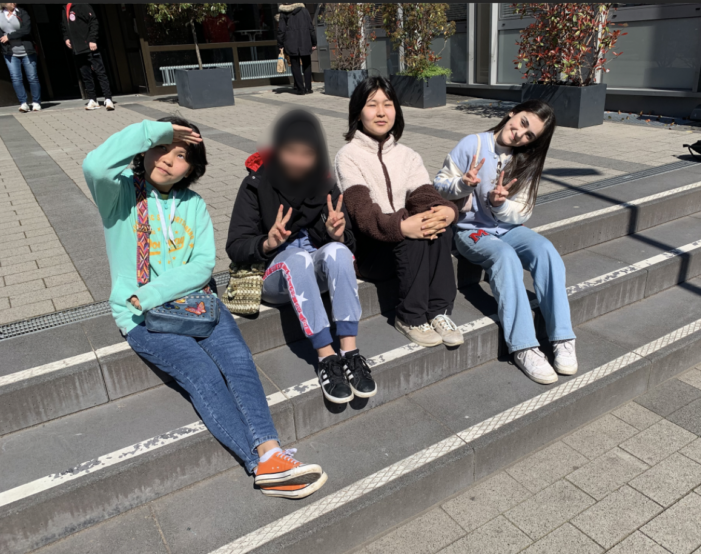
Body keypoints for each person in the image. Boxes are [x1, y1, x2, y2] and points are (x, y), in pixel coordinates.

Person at [82, 116, 327, 499]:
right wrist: (155, 130)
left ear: (192, 169)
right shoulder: (121, 196)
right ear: (145, 150)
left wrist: (153, 291)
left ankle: (271, 451)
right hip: (140, 315)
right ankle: (260, 464)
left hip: (198, 303)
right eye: (161, 148)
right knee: (202, 374)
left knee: (239, 362)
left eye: (181, 155)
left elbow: (202, 265)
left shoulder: (193, 204)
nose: (168, 159)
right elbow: (95, 165)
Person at [226, 110, 374, 405]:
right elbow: (236, 245)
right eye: (290, 151)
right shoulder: (256, 184)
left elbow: (350, 243)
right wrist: (267, 243)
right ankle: (326, 358)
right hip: (275, 276)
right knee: (296, 257)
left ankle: (350, 352)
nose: (298, 161)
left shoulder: (325, 185)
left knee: (338, 251)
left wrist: (337, 234)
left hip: (314, 271)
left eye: (307, 154)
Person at [433, 100, 577, 385]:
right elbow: (438, 186)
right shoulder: (473, 144)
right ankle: (524, 346)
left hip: (509, 228)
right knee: (505, 257)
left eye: (529, 135)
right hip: (472, 231)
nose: (520, 134)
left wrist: (500, 204)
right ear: (513, 112)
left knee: (546, 250)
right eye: (522, 123)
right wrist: (463, 184)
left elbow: (523, 211)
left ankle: (562, 338)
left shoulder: (526, 160)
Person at [335, 76, 464, 349]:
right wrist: (402, 226)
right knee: (413, 231)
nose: (381, 112)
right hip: (371, 251)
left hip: (405, 250)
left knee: (437, 223)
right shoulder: (348, 156)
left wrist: (447, 211)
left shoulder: (408, 155)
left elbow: (425, 196)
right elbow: (363, 214)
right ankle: (410, 317)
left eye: (388, 104)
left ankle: (439, 311)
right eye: (372, 105)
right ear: (358, 112)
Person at [61, 3, 113, 111]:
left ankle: (108, 98)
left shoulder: (82, 5)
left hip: (89, 46)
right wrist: (66, 38)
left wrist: (92, 39)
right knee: (86, 76)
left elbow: (93, 22)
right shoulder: (65, 8)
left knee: (100, 72)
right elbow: (65, 26)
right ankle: (92, 99)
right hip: (78, 48)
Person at [0, 3, 41, 112]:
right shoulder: (0, 15)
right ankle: (23, 103)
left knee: (32, 77)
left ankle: (36, 102)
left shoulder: (22, 13)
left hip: (26, 51)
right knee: (16, 78)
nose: (13, 3)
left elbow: (26, 29)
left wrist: (9, 36)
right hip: (10, 53)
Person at [276, 3, 316, 95]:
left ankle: (300, 89)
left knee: (295, 66)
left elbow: (281, 30)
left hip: (291, 42)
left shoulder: (284, 13)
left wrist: (280, 44)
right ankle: (308, 88)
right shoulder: (304, 11)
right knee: (307, 64)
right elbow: (311, 27)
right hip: (305, 41)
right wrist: (314, 42)